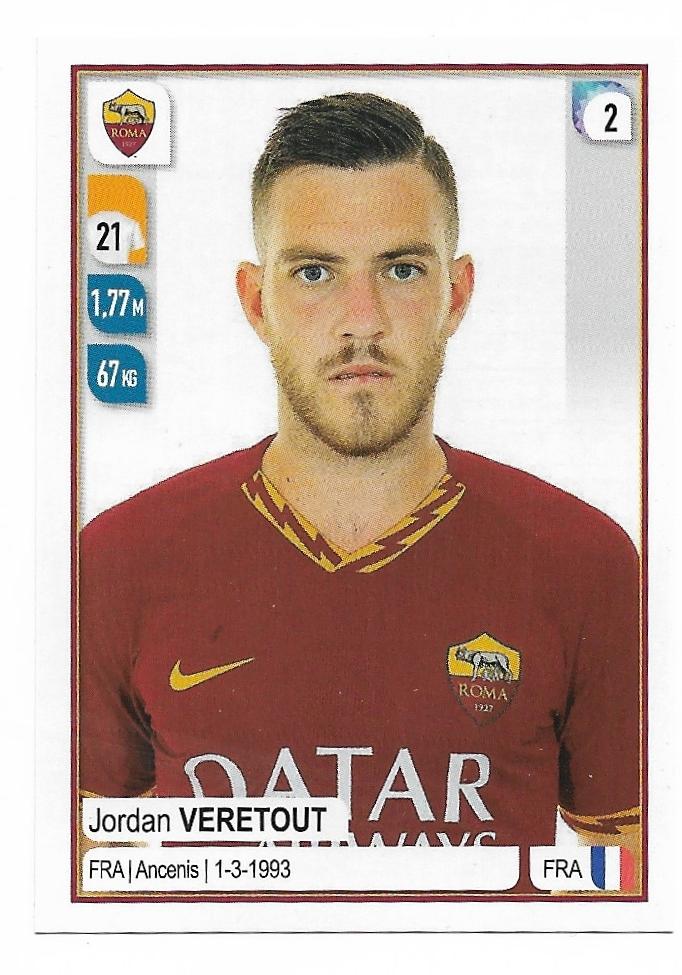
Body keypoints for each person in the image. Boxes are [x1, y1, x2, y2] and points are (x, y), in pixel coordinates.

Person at [79, 92, 641, 887]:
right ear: (256, 301)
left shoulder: (586, 562)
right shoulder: (119, 560)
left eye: (402, 269)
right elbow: (85, 876)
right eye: (314, 272)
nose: (362, 319)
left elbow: (632, 876)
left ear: (456, 294)